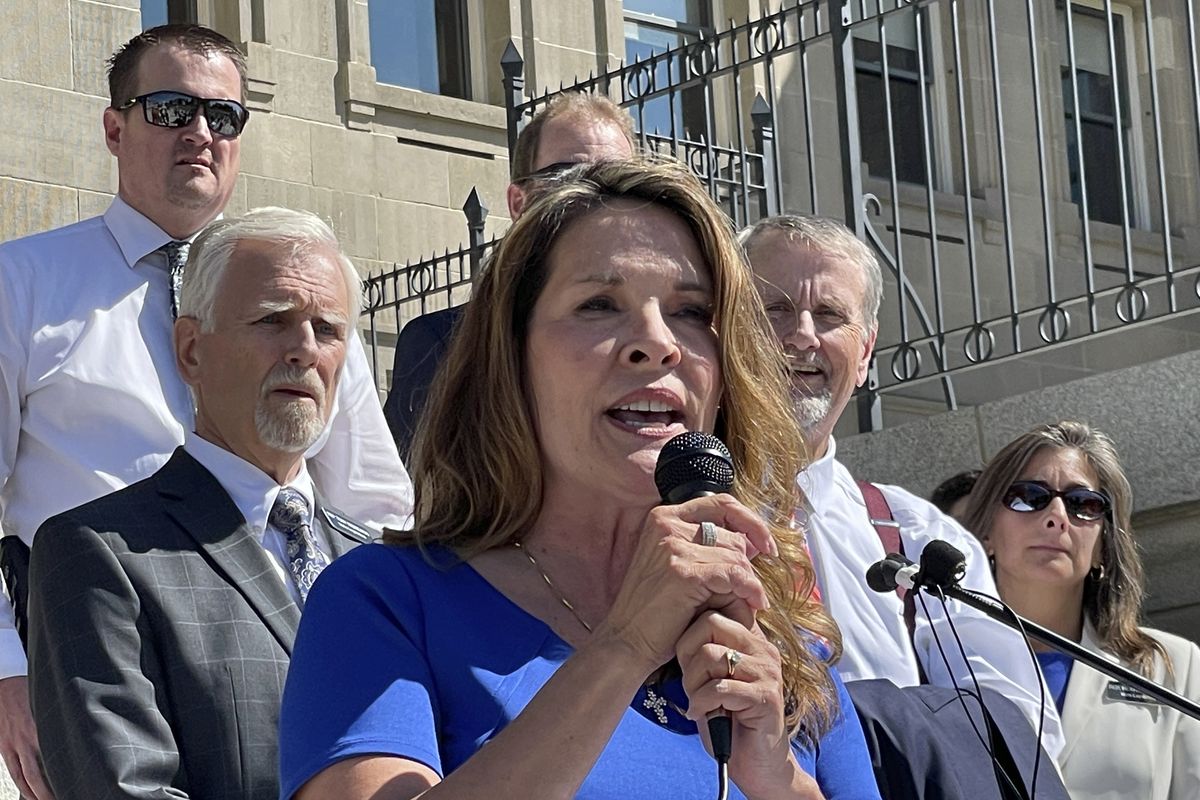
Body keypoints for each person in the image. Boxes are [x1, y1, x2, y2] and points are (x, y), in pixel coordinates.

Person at [279, 158, 881, 799]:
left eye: (690, 311)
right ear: (512, 360)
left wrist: (778, 777)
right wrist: (622, 647)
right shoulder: (387, 601)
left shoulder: (782, 640)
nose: (656, 343)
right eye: (598, 305)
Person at [0, 24, 410, 796]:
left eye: (223, 117)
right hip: (85, 674)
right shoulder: (20, 285)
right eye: (170, 108)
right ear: (114, 128)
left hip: (285, 662)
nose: (199, 133)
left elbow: (375, 502)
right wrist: (10, 676)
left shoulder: (305, 305)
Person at [27, 207, 376, 800]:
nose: (304, 350)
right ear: (191, 350)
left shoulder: (377, 567)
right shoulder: (98, 556)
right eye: (273, 320)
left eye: (329, 329)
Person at [740, 214, 1065, 756]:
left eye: (829, 315)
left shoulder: (921, 538)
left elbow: (1023, 738)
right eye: (773, 309)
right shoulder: (664, 510)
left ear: (865, 352)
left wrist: (867, 724)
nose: (801, 334)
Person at [382, 91, 636, 459]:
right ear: (520, 203)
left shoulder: (674, 342)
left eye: (619, 179)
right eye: (570, 178)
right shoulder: (444, 345)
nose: (598, 196)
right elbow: (418, 497)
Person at [961, 420, 1200, 799]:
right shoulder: (939, 657)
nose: (1056, 515)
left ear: (1104, 545)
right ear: (987, 532)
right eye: (1028, 496)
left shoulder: (1173, 664)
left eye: (1084, 504)